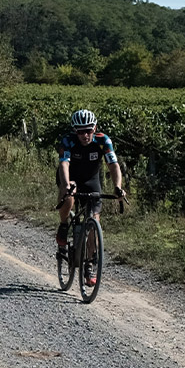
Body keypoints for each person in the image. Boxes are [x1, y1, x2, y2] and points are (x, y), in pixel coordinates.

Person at [55, 109, 125, 286]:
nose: (85, 135)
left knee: (94, 224)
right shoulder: (68, 140)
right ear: (74, 131)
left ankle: (90, 264)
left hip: (91, 180)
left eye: (88, 130)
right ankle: (64, 225)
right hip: (70, 176)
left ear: (95, 128)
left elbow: (113, 165)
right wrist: (67, 184)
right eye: (80, 131)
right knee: (68, 196)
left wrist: (118, 187)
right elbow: (64, 164)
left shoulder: (103, 140)